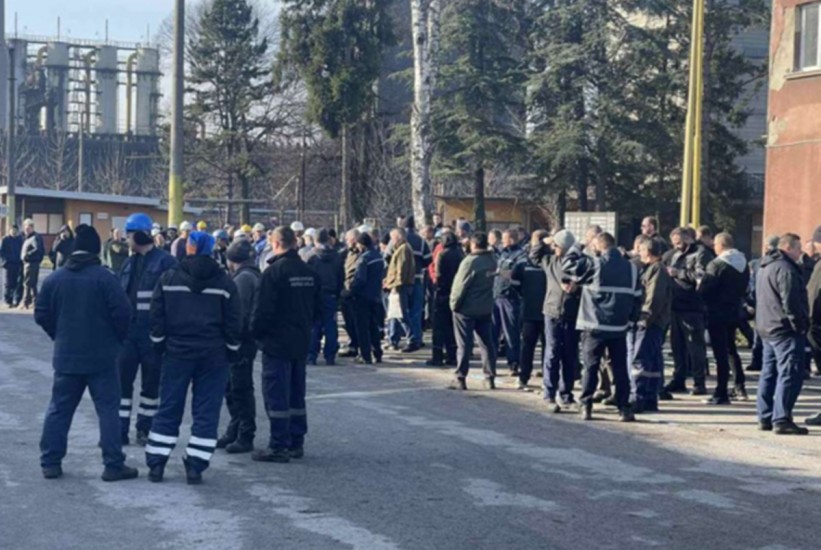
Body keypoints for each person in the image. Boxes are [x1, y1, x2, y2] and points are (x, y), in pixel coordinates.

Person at [34, 224, 138, 481]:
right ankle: (113, 464)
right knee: (108, 410)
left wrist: (58, 335)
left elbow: (41, 314)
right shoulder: (106, 278)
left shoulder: (55, 279)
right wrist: (117, 340)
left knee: (59, 408)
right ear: (95, 250)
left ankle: (50, 461)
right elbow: (124, 314)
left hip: (67, 355)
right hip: (102, 357)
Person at [146, 231, 242, 483]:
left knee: (168, 407)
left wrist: (159, 345)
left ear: (188, 249)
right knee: (206, 411)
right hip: (214, 355)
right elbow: (234, 321)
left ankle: (156, 463)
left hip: (177, 353)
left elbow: (156, 315)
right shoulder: (224, 282)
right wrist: (232, 350)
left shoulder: (168, 278)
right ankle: (196, 466)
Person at [251, 226, 321, 463]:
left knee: (276, 393)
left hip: (276, 342)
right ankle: (295, 441)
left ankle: (278, 445)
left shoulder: (273, 273)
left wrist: (255, 334)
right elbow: (320, 308)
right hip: (300, 340)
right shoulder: (308, 271)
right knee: (296, 392)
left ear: (277, 244)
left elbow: (262, 310)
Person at [565, 232, 641, 421]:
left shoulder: (594, 264)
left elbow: (567, 266)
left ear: (598, 246)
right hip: (619, 327)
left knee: (591, 367)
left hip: (594, 325)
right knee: (620, 368)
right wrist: (630, 321)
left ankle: (586, 405)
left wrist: (578, 246)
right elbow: (638, 298)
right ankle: (624, 407)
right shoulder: (631, 268)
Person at [118, 213, 178, 446]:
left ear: (140, 234)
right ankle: (120, 429)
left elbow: (174, 301)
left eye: (129, 235)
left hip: (153, 335)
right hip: (128, 336)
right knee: (122, 384)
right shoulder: (128, 262)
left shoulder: (166, 262)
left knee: (151, 385)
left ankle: (145, 428)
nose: (127, 239)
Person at [755, 234, 810, 435]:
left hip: (767, 326)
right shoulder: (786, 269)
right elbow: (791, 301)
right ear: (788, 247)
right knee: (789, 373)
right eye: (798, 248)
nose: (800, 252)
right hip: (784, 329)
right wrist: (799, 325)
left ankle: (765, 416)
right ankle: (782, 418)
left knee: (769, 374)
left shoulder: (765, 266)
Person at [217, 240, 261, 453]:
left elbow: (238, 313)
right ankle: (235, 429)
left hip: (241, 341)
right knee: (232, 387)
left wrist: (230, 338)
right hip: (244, 340)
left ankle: (245, 434)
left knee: (240, 388)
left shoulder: (243, 279)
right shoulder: (251, 274)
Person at [699, 233, 750, 404]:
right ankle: (739, 386)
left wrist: (700, 284)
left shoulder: (717, 264)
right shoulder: (744, 263)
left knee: (720, 353)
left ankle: (721, 392)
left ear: (720, 245)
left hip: (716, 312)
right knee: (731, 350)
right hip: (734, 311)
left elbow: (705, 290)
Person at [537, 229, 582, 412]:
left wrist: (576, 288)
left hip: (572, 313)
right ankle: (549, 393)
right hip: (552, 311)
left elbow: (587, 282)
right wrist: (545, 240)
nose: (554, 248)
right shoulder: (550, 261)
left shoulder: (579, 264)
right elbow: (534, 253)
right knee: (553, 352)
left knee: (569, 355)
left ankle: (566, 394)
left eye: (556, 245)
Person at [663, 227, 712, 396]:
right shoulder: (671, 255)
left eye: (679, 243)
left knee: (695, 346)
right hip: (674, 304)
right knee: (677, 346)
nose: (676, 246)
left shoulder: (701, 253)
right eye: (674, 243)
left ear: (688, 239)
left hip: (693, 306)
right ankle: (679, 379)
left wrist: (679, 273)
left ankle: (699, 382)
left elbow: (702, 276)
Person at [449, 232, 498, 391]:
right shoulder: (492, 260)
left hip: (467, 309)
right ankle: (489, 377)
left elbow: (459, 287)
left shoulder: (469, 262)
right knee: (487, 344)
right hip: (485, 307)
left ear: (474, 244)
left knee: (464, 344)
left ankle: (460, 377)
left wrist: (454, 305)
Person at [632, 236, 672, 413]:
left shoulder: (657, 270)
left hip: (651, 322)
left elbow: (654, 298)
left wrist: (644, 319)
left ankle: (638, 398)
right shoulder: (654, 269)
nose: (638, 253)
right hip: (656, 322)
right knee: (653, 362)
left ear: (648, 252)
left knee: (640, 360)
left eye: (640, 250)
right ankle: (649, 398)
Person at [512, 230, 548, 391]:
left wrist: (525, 296)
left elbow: (515, 284)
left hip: (529, 310)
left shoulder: (523, 262)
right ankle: (548, 379)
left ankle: (523, 377)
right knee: (549, 348)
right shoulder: (552, 261)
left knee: (527, 346)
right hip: (549, 311)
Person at [307, 228, 344, 366]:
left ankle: (311, 355)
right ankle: (330, 355)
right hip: (331, 294)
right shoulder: (337, 256)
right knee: (331, 325)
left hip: (315, 295)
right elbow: (341, 277)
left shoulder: (311, 257)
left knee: (314, 325)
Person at [427, 230, 464, 367]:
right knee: (451, 327)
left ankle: (437, 357)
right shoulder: (460, 254)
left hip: (442, 293)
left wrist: (436, 287)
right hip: (455, 293)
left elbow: (439, 275)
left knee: (438, 327)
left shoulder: (443, 254)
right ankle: (452, 356)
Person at [493, 229, 526, 376]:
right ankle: (491, 362)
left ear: (512, 240)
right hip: (496, 296)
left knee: (511, 333)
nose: (502, 242)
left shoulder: (521, 255)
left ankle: (514, 363)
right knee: (492, 332)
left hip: (510, 298)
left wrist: (503, 274)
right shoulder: (501, 253)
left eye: (505, 239)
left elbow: (518, 275)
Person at [351, 232, 385, 364]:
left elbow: (360, 279)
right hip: (376, 295)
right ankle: (378, 352)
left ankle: (365, 355)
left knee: (362, 327)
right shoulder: (379, 256)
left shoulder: (363, 258)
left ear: (362, 244)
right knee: (373, 325)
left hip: (363, 297)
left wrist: (352, 291)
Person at [400, 216, 431, 352]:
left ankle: (408, 338)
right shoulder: (421, 241)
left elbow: (388, 258)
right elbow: (428, 260)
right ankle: (418, 338)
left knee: (402, 312)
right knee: (416, 311)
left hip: (401, 282)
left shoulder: (399, 239)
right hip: (418, 279)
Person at [384, 227, 416, 351]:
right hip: (396, 285)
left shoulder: (403, 249)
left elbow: (401, 270)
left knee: (402, 314)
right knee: (396, 315)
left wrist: (395, 285)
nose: (392, 241)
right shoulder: (402, 249)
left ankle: (412, 339)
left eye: (393, 238)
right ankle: (398, 339)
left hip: (399, 287)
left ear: (399, 237)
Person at [340, 229, 361, 358]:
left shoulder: (360, 253)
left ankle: (356, 345)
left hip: (354, 291)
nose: (347, 242)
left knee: (355, 321)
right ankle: (353, 343)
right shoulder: (347, 253)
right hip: (346, 290)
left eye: (348, 239)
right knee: (348, 321)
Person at [20, 218, 45, 309]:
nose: (25, 230)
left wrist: (27, 255)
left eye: (27, 228)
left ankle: (25, 302)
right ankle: (34, 301)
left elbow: (37, 249)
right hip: (29, 263)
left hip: (31, 263)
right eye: (25, 228)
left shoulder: (35, 237)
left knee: (27, 283)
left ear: (32, 227)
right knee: (32, 283)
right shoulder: (30, 237)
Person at [1, 225, 23, 308]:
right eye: (12, 230)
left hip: (17, 264)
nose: (14, 232)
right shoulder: (5, 239)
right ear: (9, 230)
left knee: (15, 283)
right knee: (7, 283)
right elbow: (1, 252)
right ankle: (7, 300)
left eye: (15, 230)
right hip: (8, 265)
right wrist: (4, 262)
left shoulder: (19, 240)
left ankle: (14, 300)